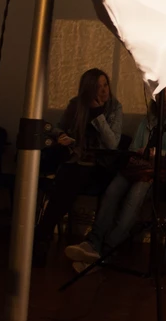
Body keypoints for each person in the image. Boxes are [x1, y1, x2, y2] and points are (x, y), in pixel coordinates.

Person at [66, 83, 166, 271]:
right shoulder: (148, 121)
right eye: (161, 94)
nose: (165, 99)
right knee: (113, 189)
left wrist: (159, 154)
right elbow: (133, 148)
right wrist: (141, 152)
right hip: (139, 168)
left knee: (136, 194)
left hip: (163, 175)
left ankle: (107, 250)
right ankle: (93, 243)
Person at [34, 68, 124, 255]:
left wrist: (98, 114)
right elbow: (58, 127)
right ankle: (42, 237)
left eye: (105, 85)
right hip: (75, 162)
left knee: (69, 179)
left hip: (100, 166)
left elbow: (112, 143)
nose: (104, 90)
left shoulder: (114, 107)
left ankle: (41, 236)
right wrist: (62, 135)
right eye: (98, 87)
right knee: (66, 179)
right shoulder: (76, 105)